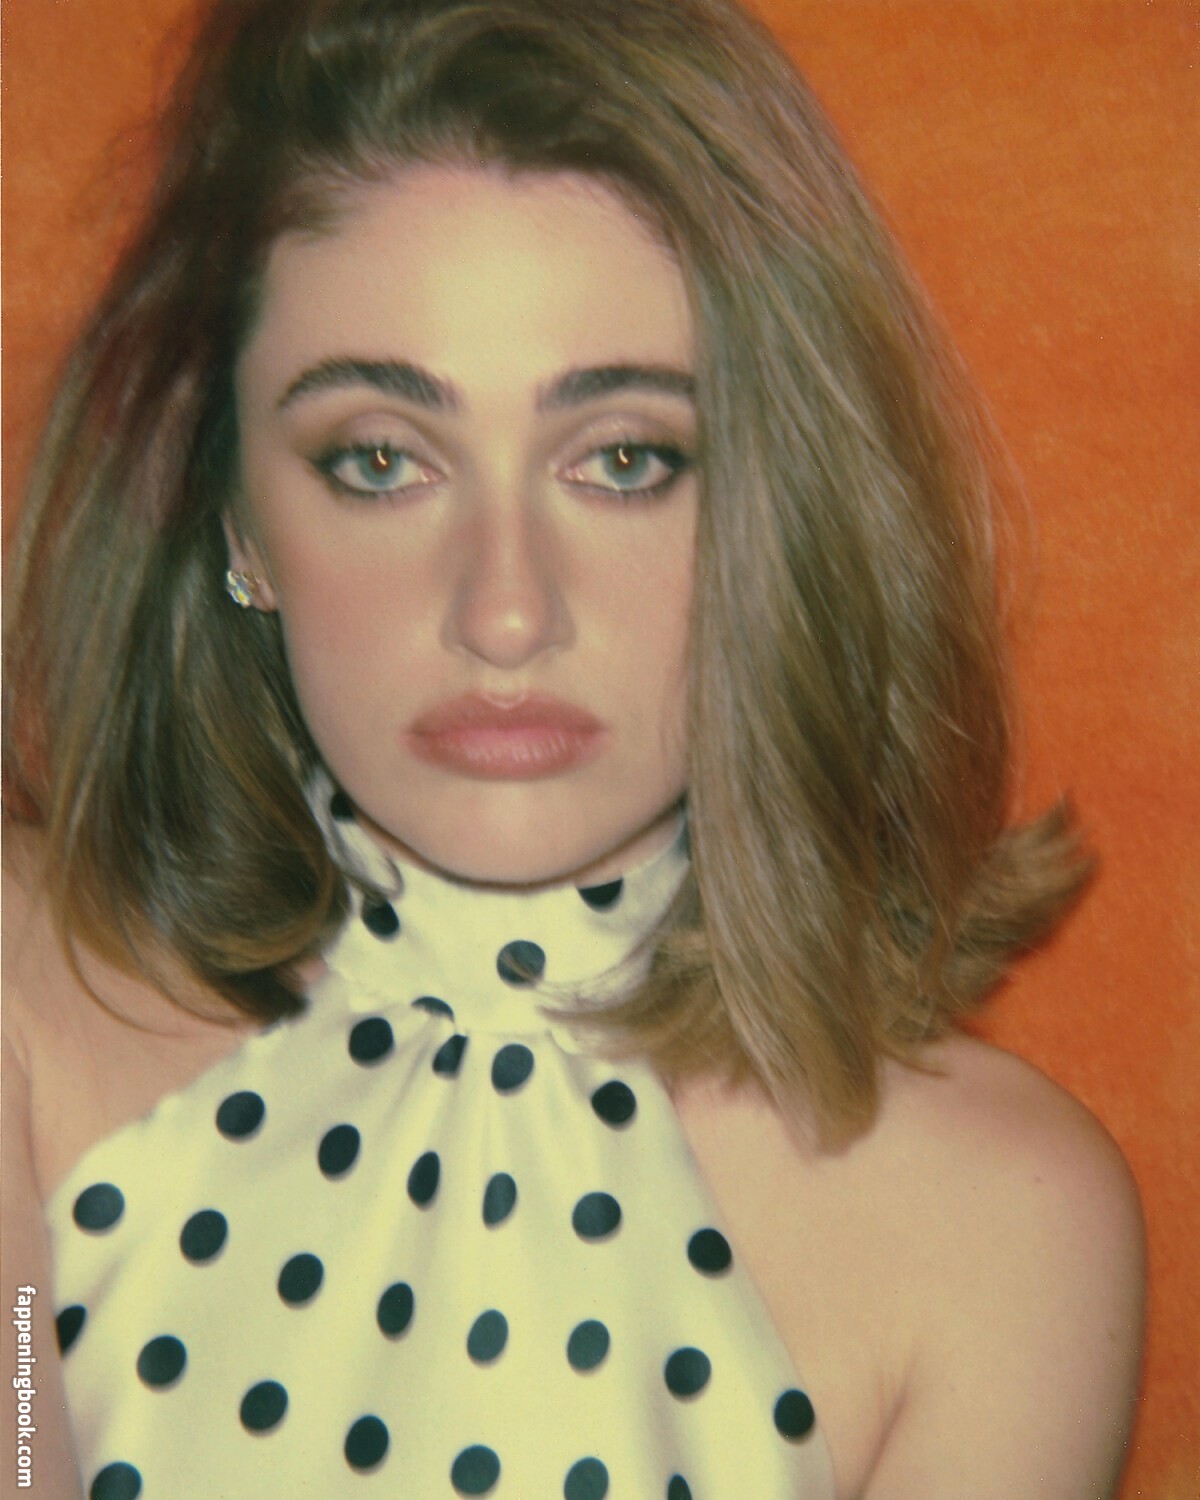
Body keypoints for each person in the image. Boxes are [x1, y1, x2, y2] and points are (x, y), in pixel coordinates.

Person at [1, 0, 1145, 1495]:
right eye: (381, 460)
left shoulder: (1002, 1229)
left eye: (623, 459)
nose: (506, 611)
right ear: (233, 517)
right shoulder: (20, 991)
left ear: (778, 509)